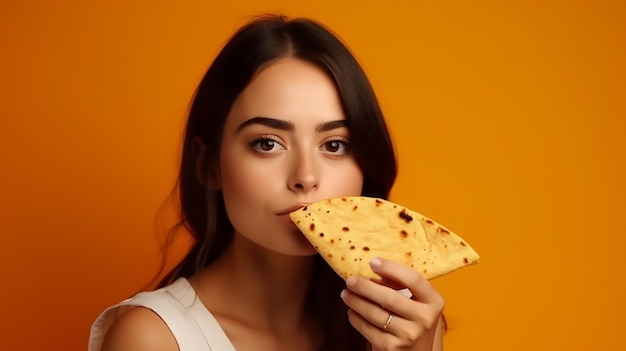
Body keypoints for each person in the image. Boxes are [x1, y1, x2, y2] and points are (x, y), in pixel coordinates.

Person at [89, 14, 445, 351]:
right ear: (208, 164)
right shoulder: (154, 338)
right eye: (267, 143)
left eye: (334, 145)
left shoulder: (400, 327)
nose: (305, 176)